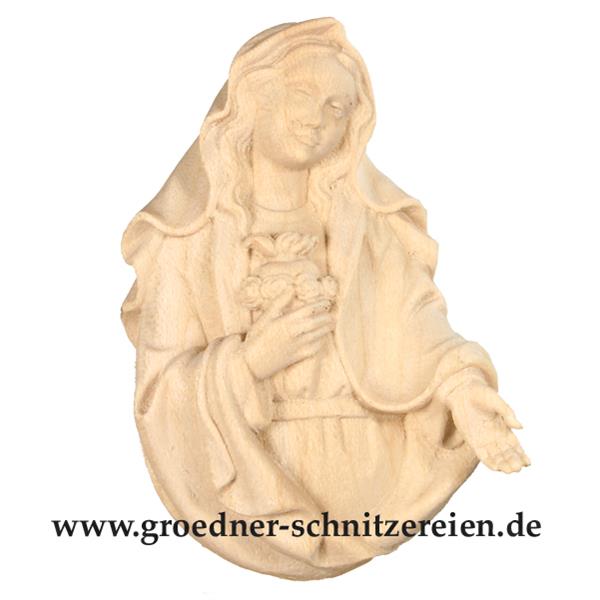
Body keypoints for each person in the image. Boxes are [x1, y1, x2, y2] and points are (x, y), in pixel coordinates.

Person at [121, 17, 529, 580]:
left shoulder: (366, 224)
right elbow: (161, 391)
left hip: (379, 476)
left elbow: (415, 324)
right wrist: (250, 362)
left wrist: (464, 391)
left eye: (337, 108)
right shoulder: (188, 240)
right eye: (302, 94)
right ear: (254, 98)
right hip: (252, 483)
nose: (317, 119)